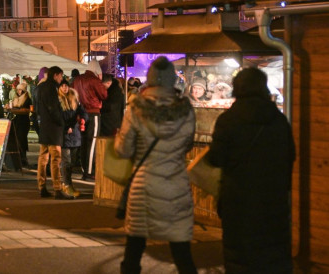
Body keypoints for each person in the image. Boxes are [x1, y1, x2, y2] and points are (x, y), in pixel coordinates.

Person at [114, 56, 197, 274]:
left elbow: (123, 150)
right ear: (172, 80)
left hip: (144, 186)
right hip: (176, 186)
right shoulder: (186, 110)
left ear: (149, 79)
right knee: (182, 252)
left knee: (134, 250)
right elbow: (187, 144)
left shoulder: (135, 108)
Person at [207, 68, 294, 273]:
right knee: (272, 252)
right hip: (273, 199)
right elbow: (290, 156)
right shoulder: (279, 120)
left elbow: (216, 158)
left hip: (238, 199)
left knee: (239, 254)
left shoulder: (228, 120)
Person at [35, 66, 69, 199]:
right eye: (60, 76)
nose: (61, 78)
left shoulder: (40, 87)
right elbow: (54, 108)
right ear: (55, 75)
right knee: (55, 159)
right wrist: (62, 122)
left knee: (42, 158)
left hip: (44, 126)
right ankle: (57, 189)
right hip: (53, 128)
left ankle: (42, 186)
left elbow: (37, 108)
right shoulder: (52, 88)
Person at [72, 64, 108, 180]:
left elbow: (72, 93)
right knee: (92, 142)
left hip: (80, 114)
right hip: (93, 113)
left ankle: (84, 169)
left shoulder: (77, 79)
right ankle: (89, 171)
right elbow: (104, 94)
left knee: (83, 142)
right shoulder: (94, 80)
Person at [58, 80, 87, 198]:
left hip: (74, 134)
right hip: (64, 134)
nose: (65, 88)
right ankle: (66, 184)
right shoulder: (58, 100)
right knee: (66, 161)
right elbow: (58, 117)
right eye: (62, 85)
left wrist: (83, 119)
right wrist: (66, 128)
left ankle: (67, 183)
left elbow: (82, 111)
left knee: (73, 161)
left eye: (66, 85)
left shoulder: (74, 97)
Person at [7, 82, 32, 168]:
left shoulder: (27, 98)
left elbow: (27, 109)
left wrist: (16, 109)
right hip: (16, 121)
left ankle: (23, 158)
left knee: (22, 140)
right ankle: (18, 158)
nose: (18, 91)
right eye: (18, 89)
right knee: (16, 140)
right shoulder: (16, 98)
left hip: (23, 121)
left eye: (20, 89)